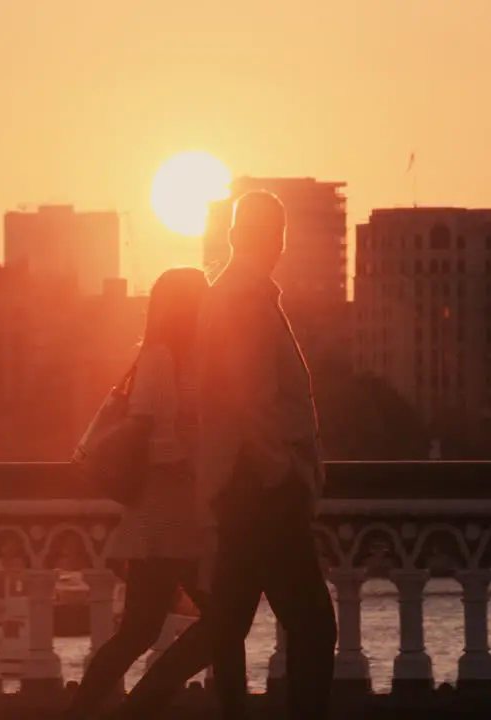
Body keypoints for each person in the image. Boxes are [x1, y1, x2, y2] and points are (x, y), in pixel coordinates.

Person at [195, 191, 336, 720]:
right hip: (261, 490)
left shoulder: (229, 294)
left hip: (241, 487)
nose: (277, 245)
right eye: (273, 234)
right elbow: (252, 398)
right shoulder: (246, 301)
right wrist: (284, 475)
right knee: (314, 627)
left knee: (227, 626)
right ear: (272, 239)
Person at [63, 266, 210, 720]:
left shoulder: (190, 357)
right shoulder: (159, 358)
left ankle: (109, 708)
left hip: (182, 519)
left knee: (144, 629)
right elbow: (144, 438)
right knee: (201, 621)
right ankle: (130, 706)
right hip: (160, 519)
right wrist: (193, 453)